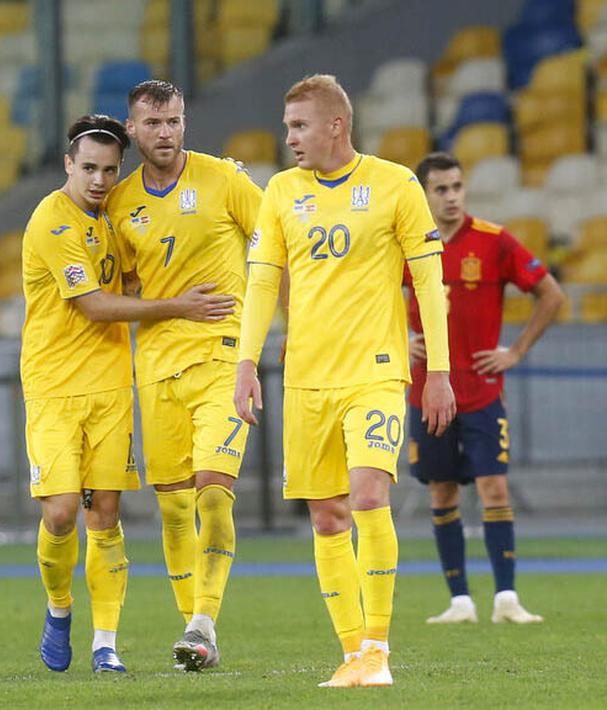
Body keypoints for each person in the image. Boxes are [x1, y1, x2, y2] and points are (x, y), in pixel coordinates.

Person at [234, 75, 456, 688]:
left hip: (375, 374)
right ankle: (353, 652)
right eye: (286, 127)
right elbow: (259, 284)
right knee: (328, 517)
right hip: (306, 379)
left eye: (299, 126)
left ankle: (379, 647)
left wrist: (437, 371)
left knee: (367, 498)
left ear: (336, 125)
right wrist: (246, 364)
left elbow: (430, 286)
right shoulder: (280, 191)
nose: (289, 138)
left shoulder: (394, 185)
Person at [23, 114, 215, 675]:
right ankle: (60, 608)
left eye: (109, 169)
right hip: (54, 387)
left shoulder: (115, 218)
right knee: (60, 514)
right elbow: (96, 305)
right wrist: (179, 305)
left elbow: (136, 273)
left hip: (110, 386)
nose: (99, 180)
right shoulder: (50, 222)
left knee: (105, 513)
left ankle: (105, 642)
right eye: (88, 168)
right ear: (67, 165)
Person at [105, 79, 262, 671]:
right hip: (157, 367)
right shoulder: (121, 205)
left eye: (173, 121)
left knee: (214, 492)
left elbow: (276, 242)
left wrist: (294, 327)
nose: (166, 133)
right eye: (153, 124)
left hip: (223, 356)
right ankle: (194, 634)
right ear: (132, 130)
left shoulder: (225, 179)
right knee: (171, 508)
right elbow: (116, 289)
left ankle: (203, 621)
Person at [407, 152, 563, 625]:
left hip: (481, 391)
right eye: (441, 189)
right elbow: (369, 296)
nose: (452, 196)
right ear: (424, 194)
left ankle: (506, 599)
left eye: (457, 187)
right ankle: (459, 601)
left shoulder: (493, 241)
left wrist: (514, 352)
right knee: (442, 492)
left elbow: (551, 294)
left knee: (495, 487)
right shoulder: (408, 244)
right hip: (429, 393)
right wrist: (396, 337)